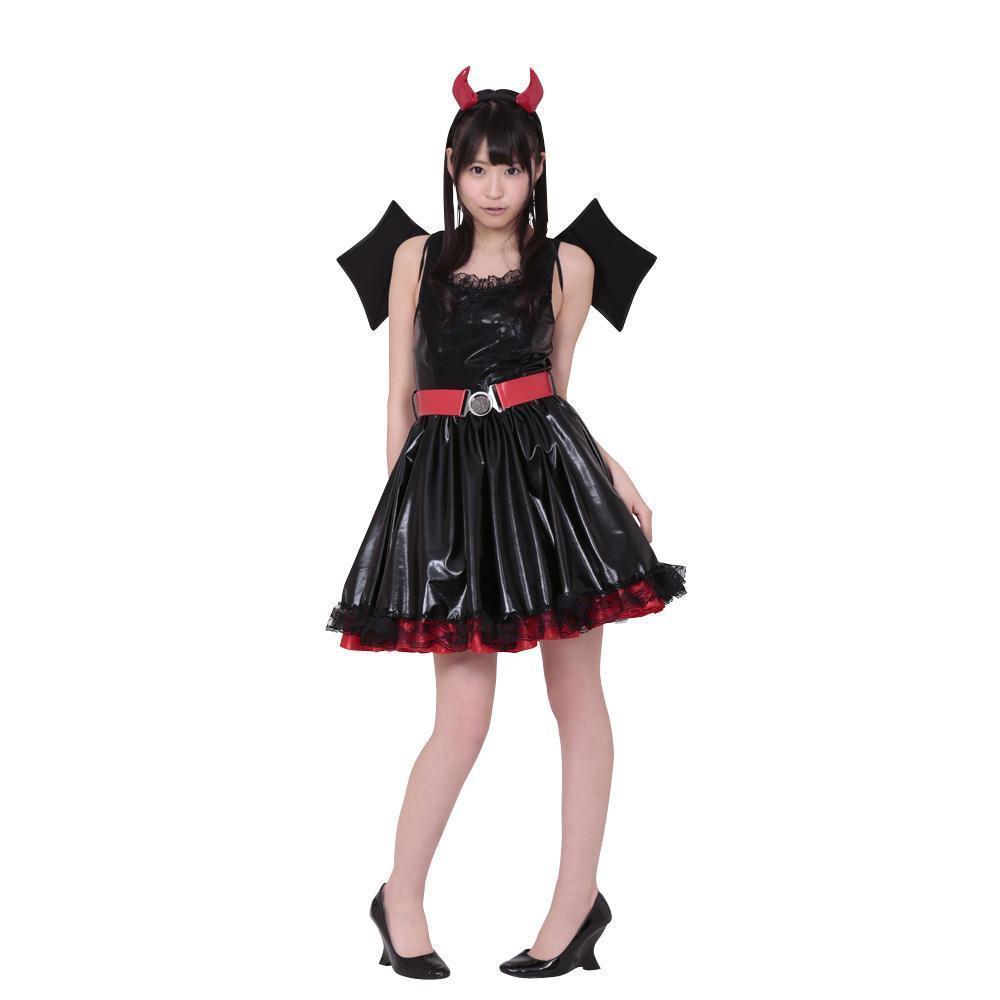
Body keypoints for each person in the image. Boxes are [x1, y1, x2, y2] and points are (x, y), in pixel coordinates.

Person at [326, 66, 687, 979]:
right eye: (479, 168)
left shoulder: (569, 266)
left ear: (538, 170)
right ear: (452, 166)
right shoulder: (416, 260)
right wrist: (408, 520)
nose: (494, 187)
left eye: (512, 169)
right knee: (463, 716)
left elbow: (555, 391)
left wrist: (612, 473)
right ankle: (399, 899)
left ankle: (575, 906)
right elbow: (399, 398)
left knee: (577, 696)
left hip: (550, 485)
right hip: (449, 486)